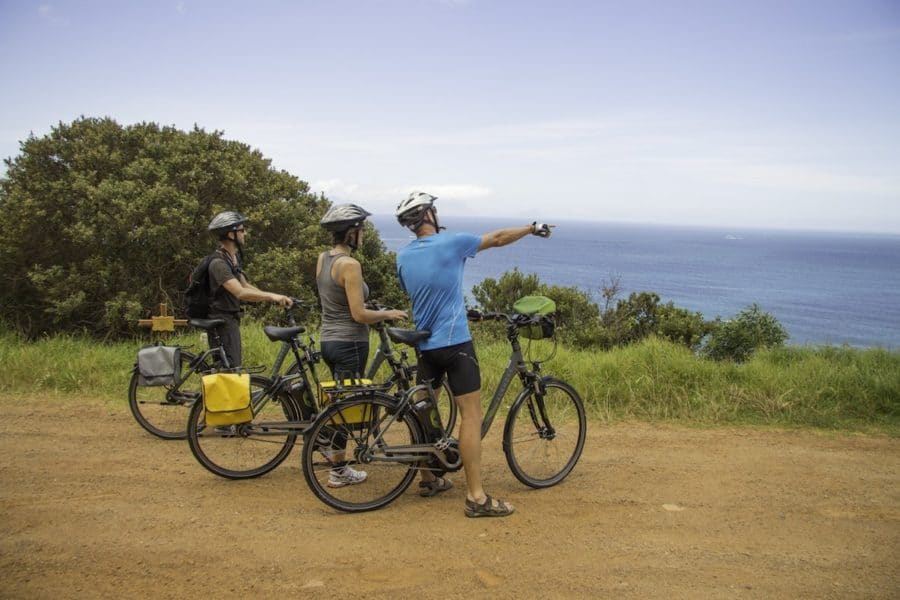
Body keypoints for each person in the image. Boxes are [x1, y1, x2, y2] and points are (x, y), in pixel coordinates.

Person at [394, 191, 552, 517]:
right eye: (433, 210)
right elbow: (496, 238)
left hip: (425, 347)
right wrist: (531, 227)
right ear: (427, 216)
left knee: (425, 410)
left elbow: (427, 290)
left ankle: (428, 479)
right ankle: (476, 497)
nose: (437, 214)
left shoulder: (403, 256)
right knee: (471, 416)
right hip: (455, 344)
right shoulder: (452, 243)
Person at [316, 203, 408, 488]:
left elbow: (335, 300)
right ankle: (339, 471)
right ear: (351, 232)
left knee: (339, 401)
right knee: (347, 408)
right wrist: (388, 314)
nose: (365, 234)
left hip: (328, 340)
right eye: (362, 229)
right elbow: (358, 315)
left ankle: (330, 453)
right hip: (350, 343)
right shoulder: (351, 265)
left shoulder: (323, 259)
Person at [205, 210, 293, 367]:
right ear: (231, 235)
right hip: (221, 321)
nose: (245, 233)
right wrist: (271, 297)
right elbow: (240, 292)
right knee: (230, 369)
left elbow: (245, 285)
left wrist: (276, 296)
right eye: (241, 230)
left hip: (230, 318)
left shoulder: (232, 258)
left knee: (231, 367)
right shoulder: (218, 263)